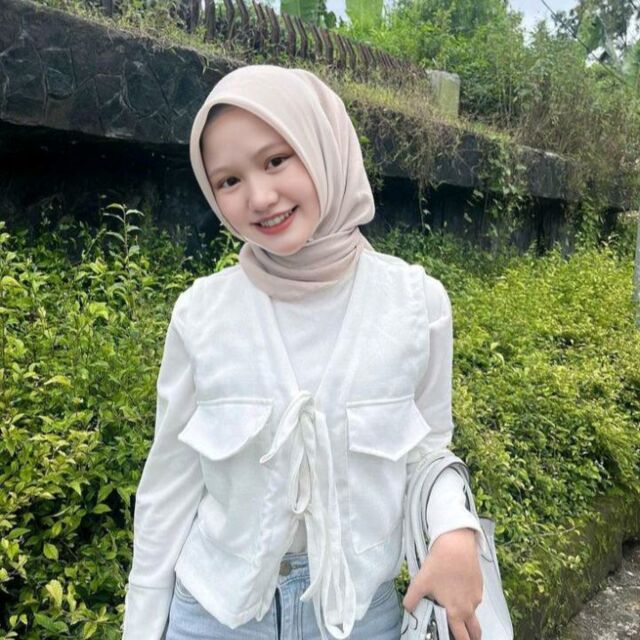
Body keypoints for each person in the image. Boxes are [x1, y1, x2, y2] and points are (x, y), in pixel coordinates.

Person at [122, 64, 485, 640]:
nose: (260, 197)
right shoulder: (201, 314)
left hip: (357, 615)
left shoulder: (417, 305)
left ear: (323, 146)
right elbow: (170, 482)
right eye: (228, 181)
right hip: (214, 615)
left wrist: (456, 529)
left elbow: (427, 452)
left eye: (275, 160)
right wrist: (142, 624)